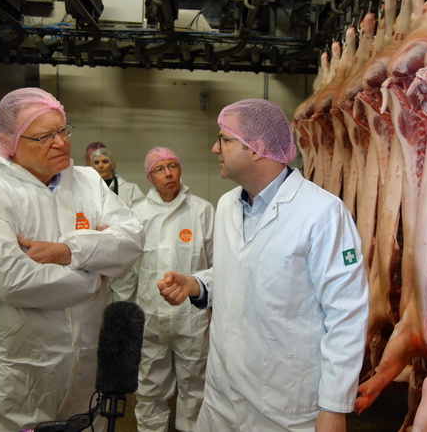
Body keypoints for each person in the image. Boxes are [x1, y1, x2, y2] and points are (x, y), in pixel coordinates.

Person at [158, 99, 369, 431]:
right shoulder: (228, 204)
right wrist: (196, 284)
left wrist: (333, 406)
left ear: (255, 149)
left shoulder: (323, 213)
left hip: (284, 406)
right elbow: (243, 273)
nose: (215, 148)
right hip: (222, 397)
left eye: (224, 139)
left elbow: (346, 314)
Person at [0, 87, 145, 432]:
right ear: (9, 143)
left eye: (62, 130)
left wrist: (69, 252)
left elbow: (132, 241)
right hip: (12, 374)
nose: (60, 143)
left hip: (85, 371)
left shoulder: (87, 182)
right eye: (43, 137)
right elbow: (14, 281)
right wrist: (94, 274)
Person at [131, 147, 214, 432]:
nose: (168, 174)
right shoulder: (137, 214)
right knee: (150, 385)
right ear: (149, 177)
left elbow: (216, 265)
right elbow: (128, 270)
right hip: (150, 314)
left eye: (173, 166)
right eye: (160, 169)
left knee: (195, 386)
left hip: (191, 316)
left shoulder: (202, 210)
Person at [90, 147, 145, 302]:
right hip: (98, 255)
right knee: (99, 307)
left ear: (112, 164)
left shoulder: (130, 190)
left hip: (124, 255)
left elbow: (140, 220)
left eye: (105, 161)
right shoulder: (87, 191)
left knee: (123, 305)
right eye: (97, 162)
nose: (101, 166)